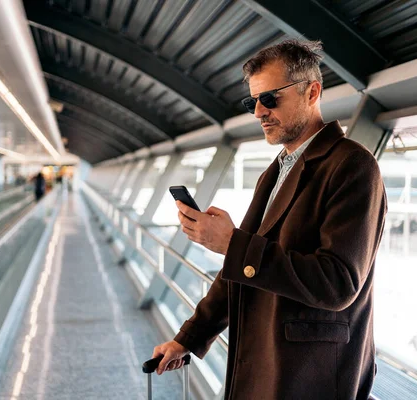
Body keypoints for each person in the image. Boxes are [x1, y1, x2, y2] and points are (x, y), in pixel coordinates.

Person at [151, 39, 387, 399]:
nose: (259, 111)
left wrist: (232, 243)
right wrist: (188, 338)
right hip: (265, 362)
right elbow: (238, 272)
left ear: (312, 92)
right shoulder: (276, 171)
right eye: (252, 102)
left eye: (270, 98)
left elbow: (338, 283)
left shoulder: (353, 165)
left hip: (310, 374)